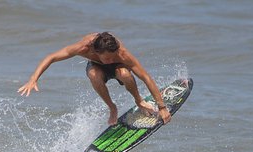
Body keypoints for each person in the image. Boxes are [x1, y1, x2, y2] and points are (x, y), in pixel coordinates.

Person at [18, 32, 171, 126]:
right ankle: (112, 107)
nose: (112, 59)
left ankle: (138, 100)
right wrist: (33, 78)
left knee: (125, 74)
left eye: (114, 56)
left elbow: (146, 77)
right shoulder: (83, 48)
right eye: (108, 58)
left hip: (120, 69)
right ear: (97, 52)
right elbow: (51, 57)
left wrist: (162, 107)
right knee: (93, 75)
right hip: (97, 68)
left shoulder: (121, 54)